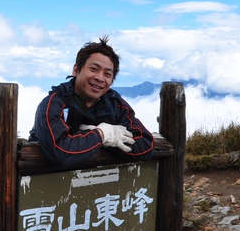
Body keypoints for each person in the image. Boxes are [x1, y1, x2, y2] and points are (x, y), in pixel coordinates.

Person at [29, 37, 154, 168]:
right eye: (94, 69)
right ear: (76, 70)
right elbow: (60, 153)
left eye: (107, 74)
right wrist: (100, 135)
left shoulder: (115, 104)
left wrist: (109, 141)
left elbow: (146, 146)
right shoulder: (54, 103)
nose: (100, 78)